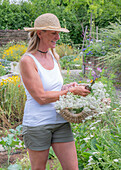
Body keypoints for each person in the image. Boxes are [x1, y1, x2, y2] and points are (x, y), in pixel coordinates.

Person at [20, 13, 90, 170]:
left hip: (60, 120)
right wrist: (72, 91)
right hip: (38, 124)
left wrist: (67, 88)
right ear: (40, 33)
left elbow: (53, 90)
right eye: (54, 33)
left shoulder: (53, 56)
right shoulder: (27, 61)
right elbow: (41, 97)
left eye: (58, 33)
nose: (58, 37)